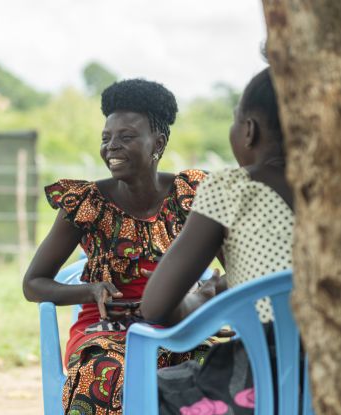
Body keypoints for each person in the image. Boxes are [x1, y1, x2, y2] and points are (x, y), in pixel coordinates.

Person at [23, 78, 212, 415]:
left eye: (126, 137)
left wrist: (207, 290)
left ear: (159, 142)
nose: (112, 147)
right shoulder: (87, 203)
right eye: (106, 138)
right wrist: (90, 290)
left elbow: (234, 271)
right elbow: (33, 284)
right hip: (109, 333)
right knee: (107, 376)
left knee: (216, 364)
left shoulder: (190, 195)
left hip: (181, 321)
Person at [140, 67, 291, 414]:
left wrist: (195, 298)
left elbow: (156, 307)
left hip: (260, 379)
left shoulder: (231, 188)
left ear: (249, 130)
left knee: (157, 387)